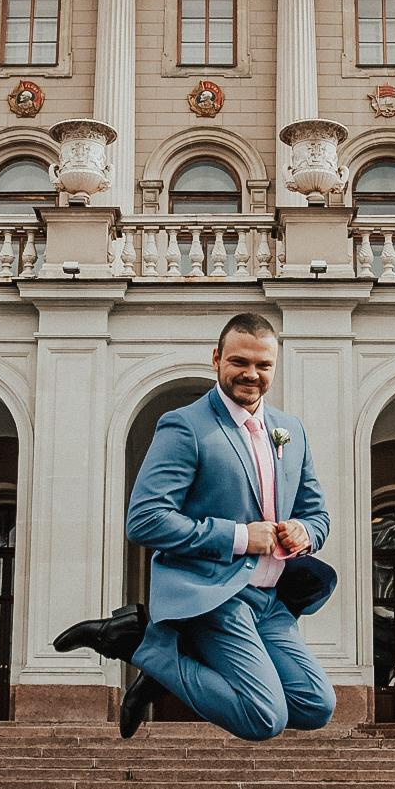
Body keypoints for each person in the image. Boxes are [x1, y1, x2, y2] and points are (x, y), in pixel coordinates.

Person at [53, 312, 336, 742]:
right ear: (216, 358)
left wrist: (303, 531)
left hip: (272, 602)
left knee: (317, 705)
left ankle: (165, 659)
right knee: (264, 717)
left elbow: (318, 515)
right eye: (240, 362)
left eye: (263, 365)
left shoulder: (289, 430)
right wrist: (241, 537)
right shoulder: (185, 425)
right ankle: (143, 646)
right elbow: (145, 520)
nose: (251, 375)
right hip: (215, 595)